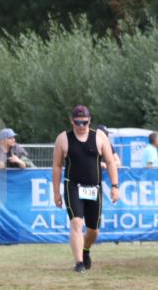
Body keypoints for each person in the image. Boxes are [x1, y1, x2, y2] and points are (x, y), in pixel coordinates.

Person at [51, 105, 120, 273]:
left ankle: (85, 250)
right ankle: (79, 263)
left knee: (93, 230)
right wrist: (56, 192)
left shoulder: (100, 137)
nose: (81, 126)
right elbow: (57, 166)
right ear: (71, 121)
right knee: (76, 222)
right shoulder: (63, 139)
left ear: (90, 120)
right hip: (72, 186)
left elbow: (111, 162)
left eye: (85, 122)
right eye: (77, 122)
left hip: (93, 187)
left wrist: (115, 186)